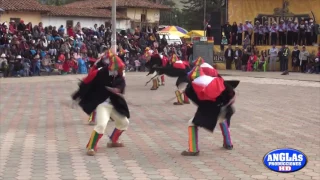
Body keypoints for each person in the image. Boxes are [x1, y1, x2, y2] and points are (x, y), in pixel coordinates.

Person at [72, 50, 129, 156]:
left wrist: (118, 89)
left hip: (114, 103)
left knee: (124, 122)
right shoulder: (101, 72)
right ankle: (91, 147)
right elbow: (86, 82)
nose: (118, 71)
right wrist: (76, 96)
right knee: (102, 124)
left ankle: (113, 140)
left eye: (119, 69)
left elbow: (122, 84)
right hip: (102, 104)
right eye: (116, 69)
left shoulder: (119, 74)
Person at [181, 66, 240, 156]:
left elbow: (200, 103)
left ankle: (193, 149)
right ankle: (228, 144)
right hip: (225, 101)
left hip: (213, 105)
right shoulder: (213, 79)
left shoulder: (192, 88)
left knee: (192, 123)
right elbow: (230, 92)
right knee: (222, 118)